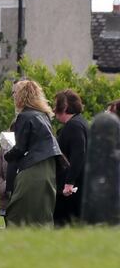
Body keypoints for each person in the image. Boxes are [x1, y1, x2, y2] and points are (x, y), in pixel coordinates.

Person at [4, 80, 61, 227]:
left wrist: (7, 155)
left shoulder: (24, 116)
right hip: (49, 168)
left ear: (21, 95)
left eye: (14, 92)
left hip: (34, 168)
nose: (13, 95)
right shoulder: (43, 115)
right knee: (42, 212)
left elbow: (20, 148)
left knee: (17, 212)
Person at [52, 89, 88, 226]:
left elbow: (79, 153)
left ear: (65, 107)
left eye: (57, 105)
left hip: (71, 191)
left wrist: (69, 182)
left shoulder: (74, 126)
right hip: (77, 187)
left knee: (63, 225)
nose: (54, 110)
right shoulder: (80, 123)